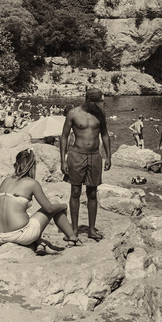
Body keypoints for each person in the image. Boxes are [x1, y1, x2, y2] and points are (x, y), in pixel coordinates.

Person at [0, 148, 79, 252]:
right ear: (32, 166)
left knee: (27, 216)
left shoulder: (5, 181)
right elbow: (49, 208)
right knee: (55, 205)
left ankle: (40, 243)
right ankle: (72, 238)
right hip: (19, 235)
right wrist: (64, 206)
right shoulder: (32, 183)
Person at [60, 87, 111, 242]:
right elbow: (64, 137)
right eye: (97, 103)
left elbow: (105, 134)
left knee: (93, 193)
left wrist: (109, 156)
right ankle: (74, 229)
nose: (100, 105)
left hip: (95, 156)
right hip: (77, 155)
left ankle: (91, 229)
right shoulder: (73, 114)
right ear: (89, 101)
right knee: (75, 192)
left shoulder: (100, 114)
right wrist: (63, 160)